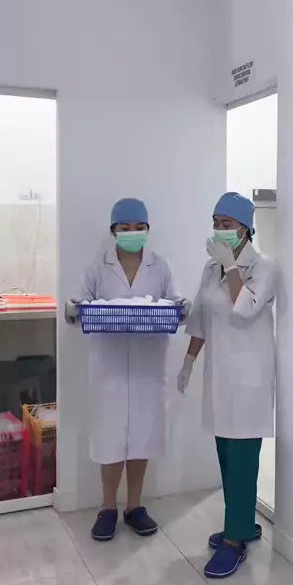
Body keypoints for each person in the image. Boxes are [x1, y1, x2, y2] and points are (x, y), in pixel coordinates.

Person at [66, 198, 187, 542]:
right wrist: (72, 309)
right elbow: (79, 304)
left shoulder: (161, 267)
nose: (132, 233)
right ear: (113, 231)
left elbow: (175, 303)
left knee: (142, 438)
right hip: (110, 367)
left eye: (139, 227)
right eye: (125, 227)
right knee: (110, 437)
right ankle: (107, 508)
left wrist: (182, 308)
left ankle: (134, 506)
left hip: (148, 365)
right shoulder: (97, 268)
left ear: (147, 229)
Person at [177, 192, 277, 578]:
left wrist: (232, 266)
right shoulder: (210, 268)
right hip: (219, 377)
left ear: (246, 229)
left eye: (228, 224)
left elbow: (246, 307)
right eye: (216, 223)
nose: (220, 230)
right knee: (226, 455)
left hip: (249, 381)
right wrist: (189, 360)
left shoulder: (264, 268)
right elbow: (202, 319)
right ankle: (242, 523)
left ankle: (235, 542)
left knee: (243, 459)